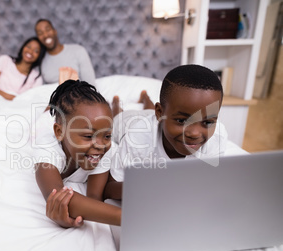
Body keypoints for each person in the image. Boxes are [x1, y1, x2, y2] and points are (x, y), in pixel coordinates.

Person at [46, 64, 230, 227]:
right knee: (118, 115)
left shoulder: (217, 136)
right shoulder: (137, 136)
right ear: (161, 113)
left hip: (156, 120)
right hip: (127, 124)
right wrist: (147, 185)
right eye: (182, 120)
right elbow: (109, 188)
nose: (194, 133)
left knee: (148, 109)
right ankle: (116, 103)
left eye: (207, 123)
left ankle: (145, 98)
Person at [33, 80, 121, 228]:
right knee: (45, 114)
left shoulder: (106, 150)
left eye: (106, 136)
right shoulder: (46, 148)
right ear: (60, 132)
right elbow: (56, 196)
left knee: (119, 118)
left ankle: (117, 104)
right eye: (88, 136)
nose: (100, 145)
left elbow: (94, 199)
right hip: (42, 127)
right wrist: (129, 219)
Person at [34, 19, 96, 85]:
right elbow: (42, 90)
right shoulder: (40, 61)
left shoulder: (78, 50)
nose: (45, 35)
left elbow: (90, 83)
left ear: (55, 31)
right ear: (38, 38)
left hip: (78, 94)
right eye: (40, 33)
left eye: (48, 29)